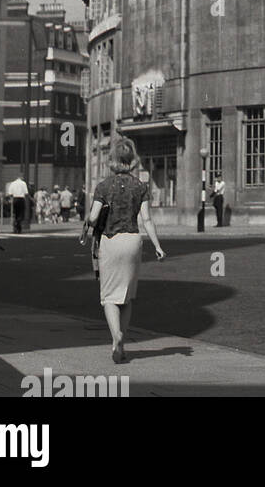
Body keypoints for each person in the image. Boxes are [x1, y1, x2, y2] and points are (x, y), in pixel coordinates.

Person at [82, 136, 165, 363]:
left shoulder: (103, 186)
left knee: (109, 297)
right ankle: (122, 342)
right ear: (132, 159)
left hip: (111, 240)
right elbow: (147, 219)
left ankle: (115, 335)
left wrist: (89, 222)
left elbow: (93, 217)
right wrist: (157, 246)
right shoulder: (141, 186)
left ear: (112, 160)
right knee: (127, 297)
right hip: (132, 240)